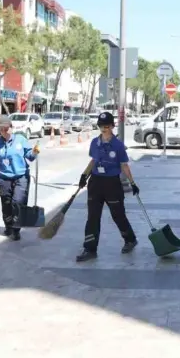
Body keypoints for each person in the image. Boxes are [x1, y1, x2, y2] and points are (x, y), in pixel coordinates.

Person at [76, 112, 139, 262]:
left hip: (112, 184)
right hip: (96, 183)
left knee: (118, 215)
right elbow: (93, 161)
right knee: (92, 217)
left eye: (107, 126)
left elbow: (124, 165)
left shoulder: (118, 145)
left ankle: (130, 239)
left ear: (112, 126)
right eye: (101, 126)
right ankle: (90, 249)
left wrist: (132, 183)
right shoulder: (94, 143)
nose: (104, 129)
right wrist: (84, 175)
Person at [0, 115, 39, 241]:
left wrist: (34, 152)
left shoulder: (20, 140)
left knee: (18, 202)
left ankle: (16, 229)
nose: (4, 131)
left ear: (11, 127)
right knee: (6, 204)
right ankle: (8, 226)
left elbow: (30, 156)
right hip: (4, 178)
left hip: (21, 177)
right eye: (1, 129)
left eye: (6, 128)